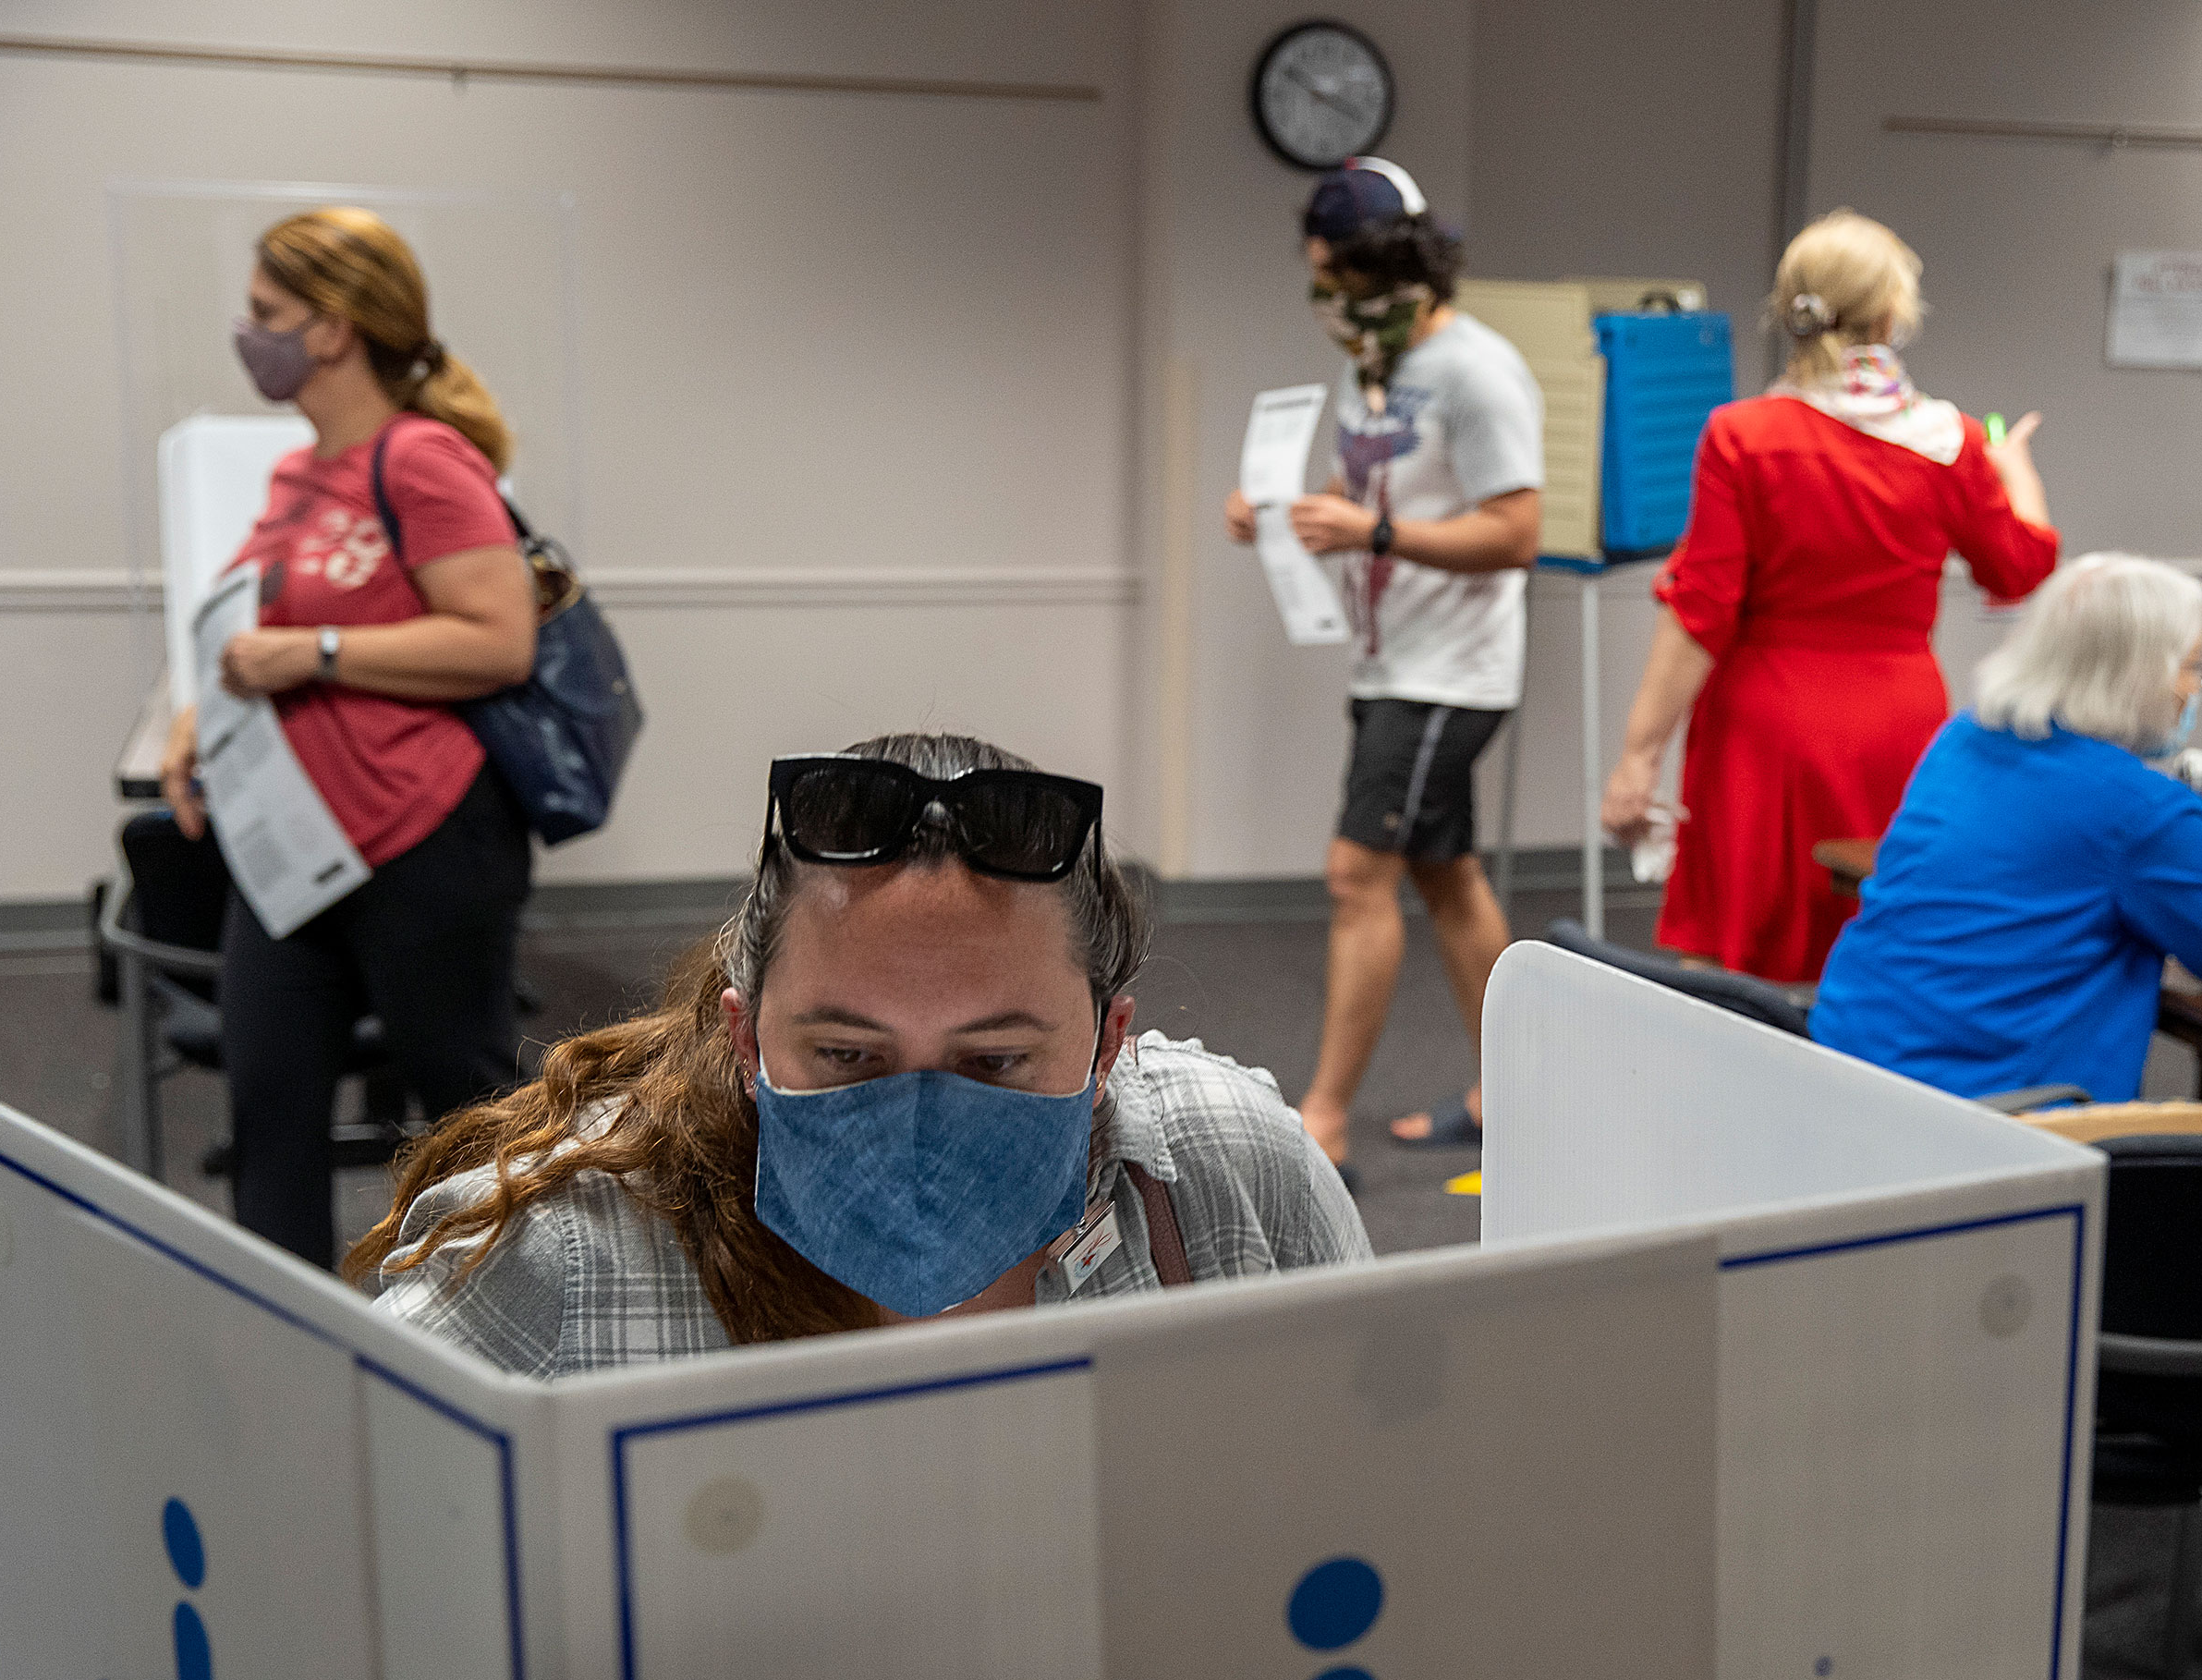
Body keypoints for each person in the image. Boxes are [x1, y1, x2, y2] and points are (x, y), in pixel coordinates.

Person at [348, 735, 1371, 1376]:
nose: (919, 1113)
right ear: (746, 1034)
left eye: (996, 1061)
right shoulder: (565, 1257)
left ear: (1109, 1043)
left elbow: (1399, 1498)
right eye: (845, 1052)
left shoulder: (1228, 1173)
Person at [1813, 554, 2202, 1570]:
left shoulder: (1962, 742)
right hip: (2009, 1143)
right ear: (2134, 673)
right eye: (2193, 668)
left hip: (1853, 1109)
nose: (2196, 688)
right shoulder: (2135, 810)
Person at [158, 207, 539, 1270]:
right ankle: (290, 1346)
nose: (252, 333)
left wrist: (315, 652)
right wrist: (197, 716)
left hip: (423, 836)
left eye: (270, 313)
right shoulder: (298, 475)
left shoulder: (424, 460)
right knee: (267, 1109)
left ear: (334, 330)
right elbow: (248, 628)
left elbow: (498, 640)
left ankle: (497, 1327)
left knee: (467, 1114)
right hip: (292, 852)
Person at [1600, 210, 2060, 984]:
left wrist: (1637, 757)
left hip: (1764, 728)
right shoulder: (1950, 441)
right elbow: (2017, 568)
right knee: (1877, 952)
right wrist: (2017, 470)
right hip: (1895, 724)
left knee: (1734, 969)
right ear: (1891, 316)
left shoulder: (1742, 435)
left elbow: (1700, 611)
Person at [1221, 158, 1543, 1165]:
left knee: (1357, 873)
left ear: (1386, 265)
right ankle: (1519, 1094)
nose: (1325, 298)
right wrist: (1283, 516)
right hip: (1390, 659)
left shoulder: (1478, 372)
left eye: (1336, 276)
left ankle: (1323, 1119)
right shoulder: (1375, 363)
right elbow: (1363, 490)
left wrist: (1377, 535)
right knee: (1446, 880)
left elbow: (1517, 530)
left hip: (1448, 672)